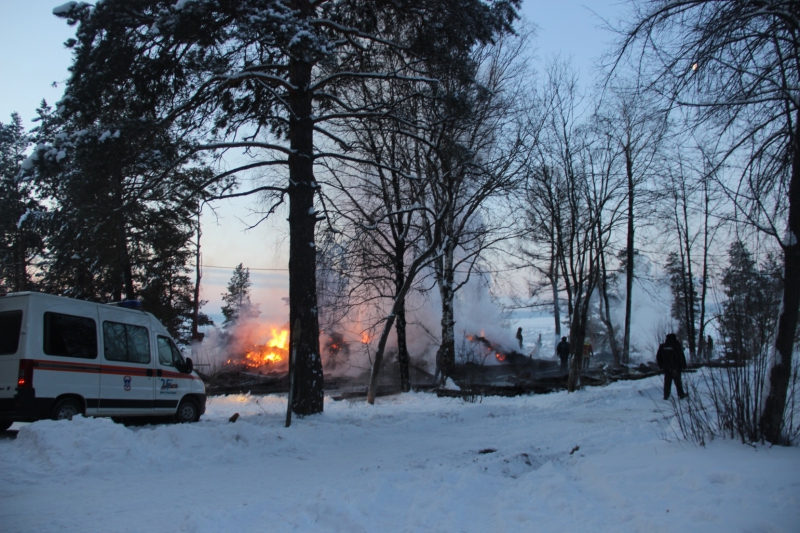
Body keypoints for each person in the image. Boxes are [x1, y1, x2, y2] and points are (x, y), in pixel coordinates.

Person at [656, 333, 688, 400]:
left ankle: (666, 396)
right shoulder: (676, 345)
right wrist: (684, 366)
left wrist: (661, 365)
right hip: (676, 367)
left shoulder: (662, 346)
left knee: (667, 383)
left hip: (667, 368)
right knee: (678, 382)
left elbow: (658, 357)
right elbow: (681, 356)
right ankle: (681, 394)